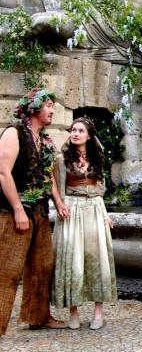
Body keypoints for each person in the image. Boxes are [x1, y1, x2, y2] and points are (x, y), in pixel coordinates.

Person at [0, 88, 67, 336]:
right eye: (48, 105)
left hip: (40, 210)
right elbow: (3, 173)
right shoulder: (14, 133)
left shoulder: (44, 139)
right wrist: (18, 210)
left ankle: (37, 317)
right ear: (34, 108)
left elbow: (47, 175)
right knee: (7, 269)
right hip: (14, 212)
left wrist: (58, 202)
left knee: (43, 265)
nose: (52, 110)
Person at [50, 117, 117, 330]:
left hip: (94, 208)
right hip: (72, 207)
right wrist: (60, 204)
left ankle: (98, 313)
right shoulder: (62, 159)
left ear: (89, 136)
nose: (75, 134)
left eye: (80, 131)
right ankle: (73, 313)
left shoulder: (97, 157)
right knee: (73, 259)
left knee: (97, 258)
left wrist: (105, 215)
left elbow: (99, 189)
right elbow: (55, 184)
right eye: (73, 130)